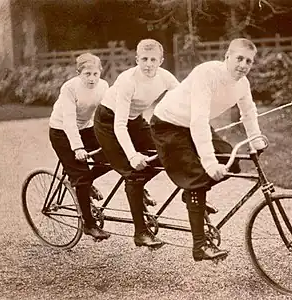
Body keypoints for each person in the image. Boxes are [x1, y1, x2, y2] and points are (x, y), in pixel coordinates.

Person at [150, 38, 267, 261]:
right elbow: (199, 120)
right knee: (197, 178)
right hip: (168, 124)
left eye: (249, 61)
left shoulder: (242, 84)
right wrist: (209, 163)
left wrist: (256, 141)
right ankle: (200, 246)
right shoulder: (207, 74)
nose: (243, 65)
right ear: (227, 57)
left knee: (231, 160)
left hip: (194, 124)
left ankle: (191, 196)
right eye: (239, 58)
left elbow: (249, 113)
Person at [94, 39, 179, 248]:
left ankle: (141, 190)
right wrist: (132, 156)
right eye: (144, 59)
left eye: (153, 60)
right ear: (136, 59)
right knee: (134, 173)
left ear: (161, 60)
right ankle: (140, 232)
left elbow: (184, 100)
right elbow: (119, 125)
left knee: (166, 153)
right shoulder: (127, 80)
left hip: (135, 120)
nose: (148, 64)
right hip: (109, 121)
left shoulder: (166, 77)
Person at [49, 53, 112, 240]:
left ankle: (77, 182)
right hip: (61, 131)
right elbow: (68, 121)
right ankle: (89, 225)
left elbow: (105, 114)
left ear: (100, 72)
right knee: (82, 177)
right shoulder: (69, 88)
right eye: (87, 74)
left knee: (109, 160)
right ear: (79, 73)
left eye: (95, 73)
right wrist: (77, 148)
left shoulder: (103, 86)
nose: (92, 78)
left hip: (86, 127)